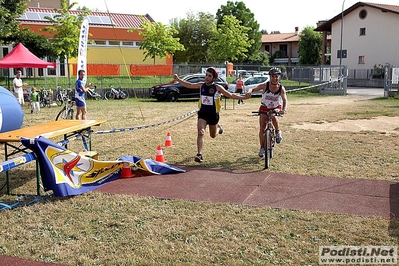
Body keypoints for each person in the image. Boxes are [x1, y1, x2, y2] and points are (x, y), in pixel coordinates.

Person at [173, 67, 250, 163]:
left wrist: (243, 97)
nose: (207, 77)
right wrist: (178, 80)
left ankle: (219, 129)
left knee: (213, 135)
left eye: (209, 76)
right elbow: (189, 85)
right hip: (203, 114)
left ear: (214, 78)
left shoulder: (217, 87)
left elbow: (230, 95)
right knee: (201, 132)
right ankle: (199, 154)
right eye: (206, 75)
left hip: (213, 115)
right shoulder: (201, 85)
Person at [246, 67, 288, 158]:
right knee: (262, 128)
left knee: (273, 115)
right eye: (273, 76)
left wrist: (284, 109)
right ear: (270, 77)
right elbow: (254, 88)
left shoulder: (281, 88)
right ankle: (262, 147)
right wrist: (250, 91)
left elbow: (284, 100)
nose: (274, 78)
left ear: (279, 77)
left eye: (276, 76)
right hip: (264, 107)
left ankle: (277, 132)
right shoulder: (265, 85)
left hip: (276, 107)